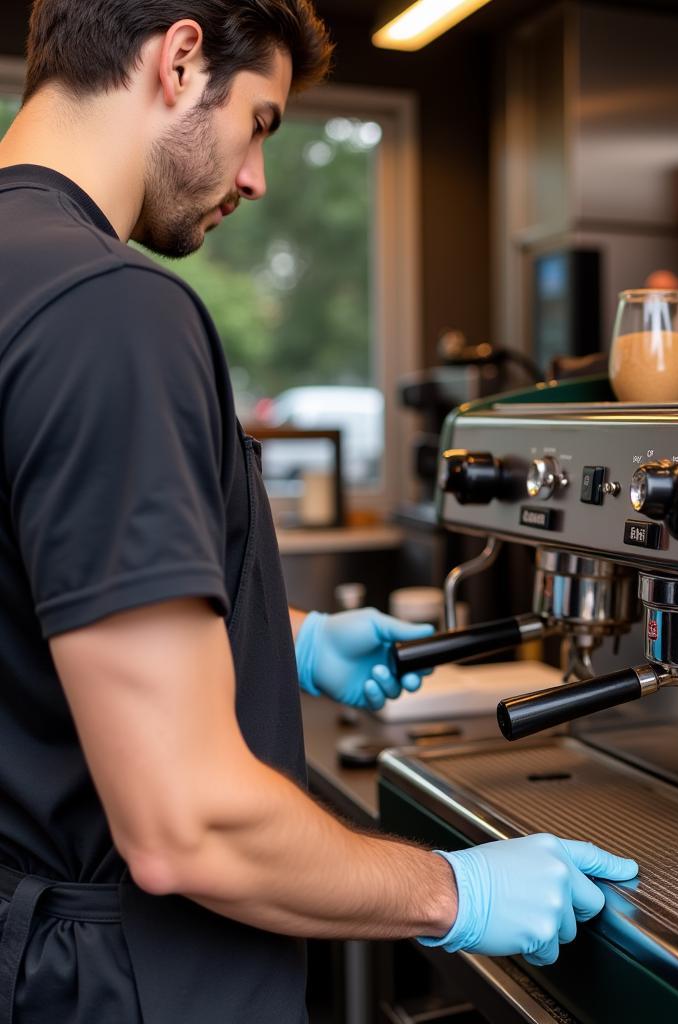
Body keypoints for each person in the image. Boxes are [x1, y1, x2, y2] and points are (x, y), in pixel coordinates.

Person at [0, 3, 638, 1021]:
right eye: (260, 123)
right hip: (126, 981)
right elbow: (187, 825)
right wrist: (455, 889)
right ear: (179, 59)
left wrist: (284, 642)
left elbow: (40, 604)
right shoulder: (111, 311)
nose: (255, 177)